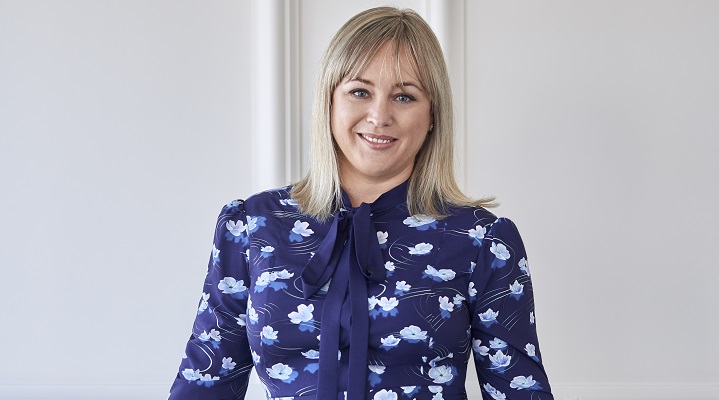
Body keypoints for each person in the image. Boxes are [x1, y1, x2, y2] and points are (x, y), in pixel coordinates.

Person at [169, 6, 553, 400]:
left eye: (404, 96)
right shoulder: (251, 226)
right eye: (359, 91)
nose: (379, 115)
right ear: (329, 101)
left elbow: (520, 391)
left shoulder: (483, 241)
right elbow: (206, 382)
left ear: (433, 114)